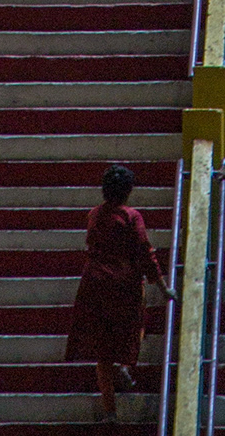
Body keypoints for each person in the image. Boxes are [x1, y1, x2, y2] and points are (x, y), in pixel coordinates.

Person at [63, 162, 170, 419]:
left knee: (102, 348)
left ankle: (109, 407)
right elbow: (146, 252)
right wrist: (163, 287)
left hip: (95, 285)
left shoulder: (94, 214)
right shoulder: (131, 217)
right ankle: (122, 368)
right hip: (123, 286)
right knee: (129, 332)